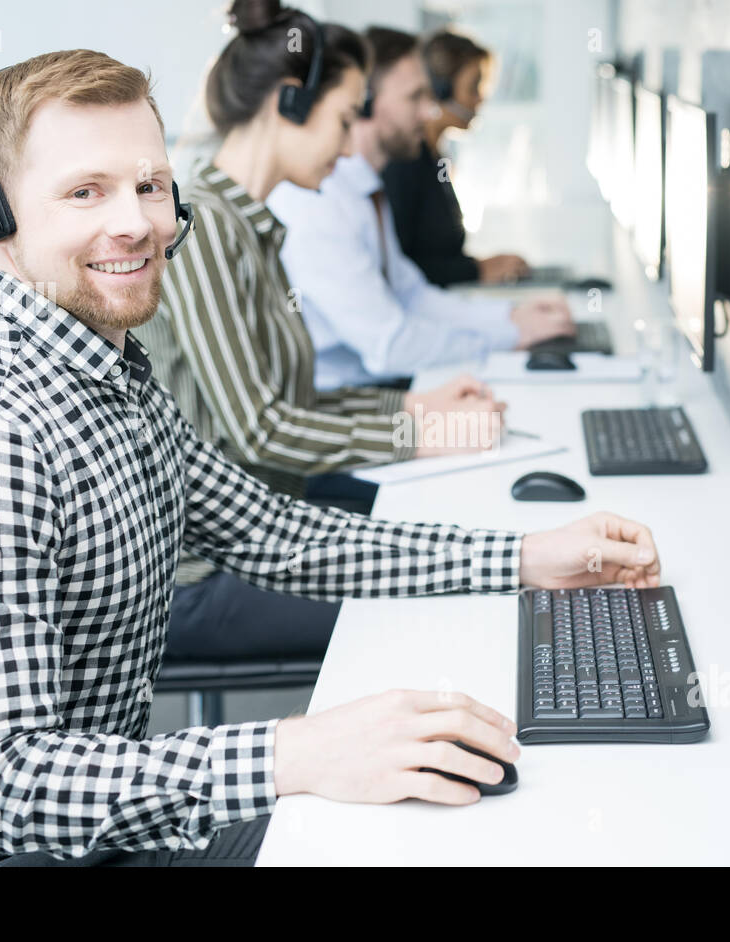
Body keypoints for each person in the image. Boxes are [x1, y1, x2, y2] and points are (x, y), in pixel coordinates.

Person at [0, 47, 664, 868]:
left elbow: (282, 535)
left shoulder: (110, 375)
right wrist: (295, 752)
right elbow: (0, 786)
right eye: (85, 192)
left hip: (101, 841)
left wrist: (525, 557)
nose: (136, 221)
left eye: (150, 186)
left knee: (430, 826)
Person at [143, 4, 507, 667]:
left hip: (274, 526)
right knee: (444, 591)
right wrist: (422, 431)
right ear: (290, 103)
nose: (347, 147)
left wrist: (416, 410)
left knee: (456, 532)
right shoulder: (203, 228)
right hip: (208, 572)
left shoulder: (254, 224)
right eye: (342, 121)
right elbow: (262, 430)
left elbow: (298, 403)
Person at [267, 26, 574, 392]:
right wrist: (506, 338)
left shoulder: (366, 192)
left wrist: (509, 317)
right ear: (364, 102)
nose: (430, 111)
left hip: (385, 381)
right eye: (415, 97)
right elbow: (389, 346)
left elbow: (412, 296)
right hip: (348, 398)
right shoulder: (319, 203)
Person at [381, 29, 529, 287]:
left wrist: (481, 267)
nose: (480, 98)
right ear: (439, 90)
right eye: (473, 87)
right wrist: (476, 270)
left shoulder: (435, 158)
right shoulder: (405, 165)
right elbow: (401, 269)